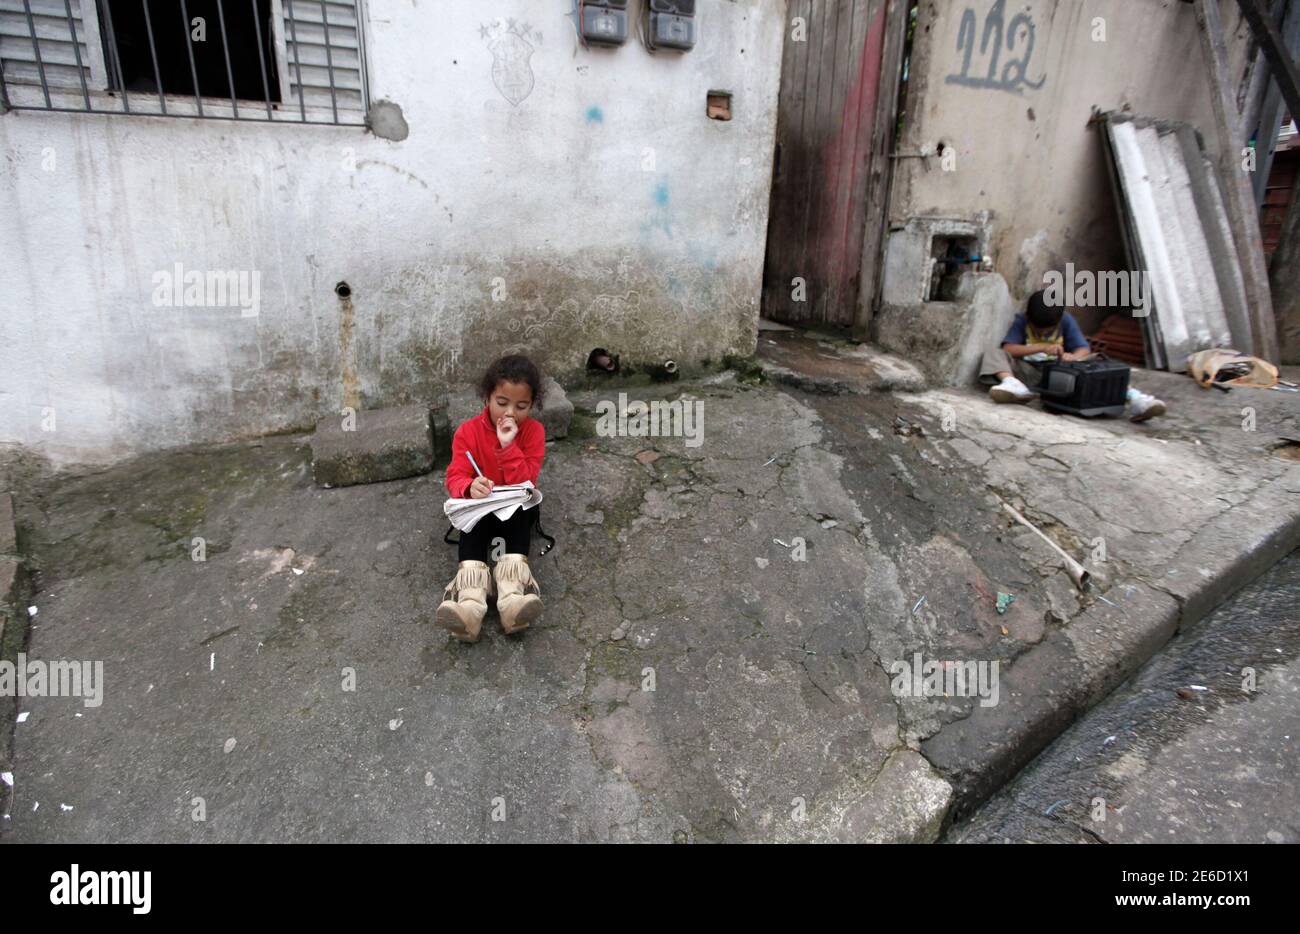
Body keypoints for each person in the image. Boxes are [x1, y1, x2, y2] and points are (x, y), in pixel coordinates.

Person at [436, 354, 547, 642]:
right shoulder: (468, 432)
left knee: (519, 517)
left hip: (514, 507)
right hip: (481, 506)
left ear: (531, 405)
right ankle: (470, 609)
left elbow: (527, 482)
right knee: (471, 529)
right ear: (487, 397)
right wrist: (469, 487)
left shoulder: (534, 432)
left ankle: (512, 603)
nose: (510, 413)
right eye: (502, 403)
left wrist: (508, 446)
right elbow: (454, 475)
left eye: (521, 406)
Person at [979, 290, 1166, 421]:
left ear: (1059, 320)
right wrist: (1041, 347)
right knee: (994, 353)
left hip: (1063, 376)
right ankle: (1013, 386)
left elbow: (1084, 350)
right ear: (1028, 316)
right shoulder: (1022, 321)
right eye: (1038, 330)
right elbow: (1009, 348)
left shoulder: (1066, 321)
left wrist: (1073, 357)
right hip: (1029, 373)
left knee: (1098, 363)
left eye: (1048, 331)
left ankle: (1134, 398)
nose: (1043, 334)